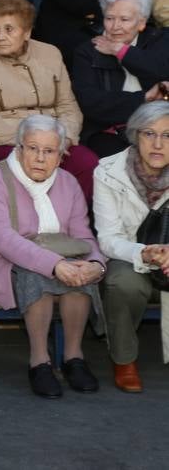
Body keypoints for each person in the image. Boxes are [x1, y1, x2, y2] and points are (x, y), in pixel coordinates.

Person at [0, 115, 104, 398]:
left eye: (49, 151)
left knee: (80, 272)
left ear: (61, 155)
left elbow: (83, 235)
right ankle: (40, 361)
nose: (40, 158)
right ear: (19, 148)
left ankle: (73, 358)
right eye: (32, 148)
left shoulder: (68, 183)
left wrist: (95, 263)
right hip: (3, 263)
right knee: (37, 273)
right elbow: (3, 239)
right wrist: (54, 265)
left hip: (61, 257)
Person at [0, 0, 97, 201]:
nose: (0, 36)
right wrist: (36, 141)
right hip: (2, 140)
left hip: (56, 137)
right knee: (34, 164)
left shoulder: (51, 53)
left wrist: (65, 137)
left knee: (87, 163)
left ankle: (74, 224)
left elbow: (68, 105)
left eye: (9, 29)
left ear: (27, 32)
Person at [91, 101, 169, 393]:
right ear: (136, 135)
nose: (158, 143)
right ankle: (124, 359)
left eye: (168, 135)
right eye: (149, 133)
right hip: (129, 252)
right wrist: (144, 253)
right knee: (122, 283)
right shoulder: (108, 172)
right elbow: (108, 238)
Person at [70, 0, 169, 157]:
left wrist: (121, 51)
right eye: (109, 18)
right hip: (110, 132)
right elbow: (91, 102)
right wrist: (144, 99)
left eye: (124, 19)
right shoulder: (87, 51)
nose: (115, 26)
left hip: (161, 127)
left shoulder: (160, 41)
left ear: (141, 23)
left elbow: (161, 73)